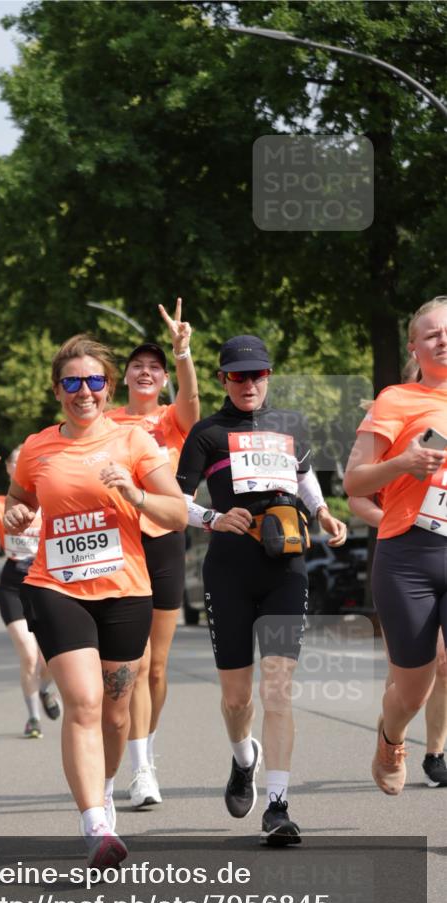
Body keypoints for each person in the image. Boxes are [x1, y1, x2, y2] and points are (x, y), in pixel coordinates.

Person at [4, 334, 187, 867]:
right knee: (83, 703)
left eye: (94, 381)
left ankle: (105, 789)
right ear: (57, 389)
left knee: (115, 712)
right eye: (72, 382)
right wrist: (16, 514)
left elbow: (176, 514)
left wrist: (135, 495)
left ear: (108, 386)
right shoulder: (39, 446)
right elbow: (19, 500)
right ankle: (95, 823)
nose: (84, 391)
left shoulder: (135, 442)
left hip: (126, 591)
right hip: (56, 587)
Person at [176, 335, 347, 845]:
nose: (248, 384)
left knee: (277, 688)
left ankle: (278, 806)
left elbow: (305, 476)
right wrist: (210, 516)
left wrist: (320, 510)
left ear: (269, 375)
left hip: (285, 566)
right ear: (223, 379)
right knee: (236, 699)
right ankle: (243, 758)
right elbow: (173, 501)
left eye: (257, 375)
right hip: (228, 569)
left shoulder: (290, 425)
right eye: (237, 376)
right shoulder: (206, 434)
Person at [344, 296, 447, 795]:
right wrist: (403, 464)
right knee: (413, 685)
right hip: (411, 555)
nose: (443, 340)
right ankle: (392, 738)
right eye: (432, 335)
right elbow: (355, 481)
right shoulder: (396, 400)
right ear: (415, 347)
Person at [108, 298, 200, 808]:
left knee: (157, 667)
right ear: (125, 378)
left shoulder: (173, 418)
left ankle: (146, 748)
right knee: (134, 665)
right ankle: (142, 768)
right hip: (121, 545)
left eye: (155, 368)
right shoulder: (107, 422)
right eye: (138, 367)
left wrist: (181, 352)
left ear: (163, 381)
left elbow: (192, 398)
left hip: (164, 539)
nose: (147, 373)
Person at [0, 447, 61, 739]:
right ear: (10, 470)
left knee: (49, 658)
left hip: (46, 582)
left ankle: (46, 688)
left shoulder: (50, 501)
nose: (22, 466)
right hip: (13, 584)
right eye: (16, 462)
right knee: (28, 654)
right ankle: (33, 718)